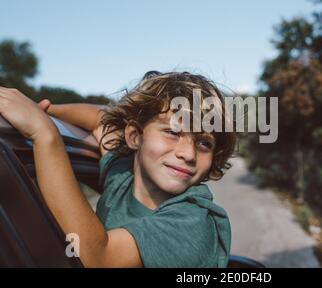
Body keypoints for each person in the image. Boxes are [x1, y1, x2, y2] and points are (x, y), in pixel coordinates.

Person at [0, 71, 237, 267]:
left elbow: (99, 258)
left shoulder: (194, 221)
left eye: (204, 143)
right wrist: (44, 111)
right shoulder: (122, 176)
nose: (188, 153)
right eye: (173, 132)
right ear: (135, 136)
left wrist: (44, 133)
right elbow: (103, 119)